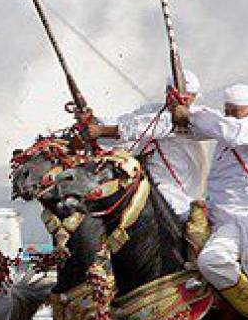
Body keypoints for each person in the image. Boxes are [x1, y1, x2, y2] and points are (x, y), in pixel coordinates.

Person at [172, 83, 248, 320]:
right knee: (210, 261)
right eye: (227, 111)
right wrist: (177, 111)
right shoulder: (224, 125)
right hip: (228, 222)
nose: (231, 116)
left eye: (237, 111)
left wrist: (191, 113)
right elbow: (188, 129)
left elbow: (232, 131)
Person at [88, 70, 208, 221]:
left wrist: (101, 131)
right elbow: (126, 120)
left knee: (180, 216)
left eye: (189, 97)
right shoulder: (152, 110)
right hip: (150, 178)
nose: (185, 101)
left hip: (178, 187)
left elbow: (149, 126)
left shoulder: (195, 116)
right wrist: (93, 120)